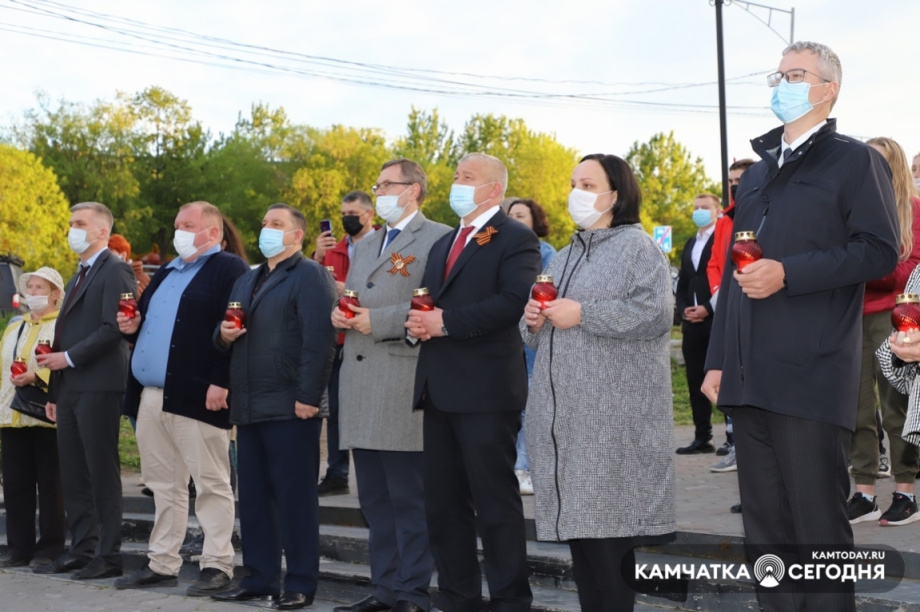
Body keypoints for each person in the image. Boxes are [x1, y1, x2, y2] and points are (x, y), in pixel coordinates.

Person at [702, 42, 899, 611]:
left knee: (816, 530)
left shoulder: (853, 161)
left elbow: (879, 250)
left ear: (828, 90)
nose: (782, 84)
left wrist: (789, 272)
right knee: (765, 533)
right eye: (779, 75)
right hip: (748, 375)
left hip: (809, 372)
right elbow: (736, 275)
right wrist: (717, 360)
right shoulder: (758, 174)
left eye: (796, 74)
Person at [522, 154, 675, 611]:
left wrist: (584, 313)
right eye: (574, 183)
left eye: (588, 184)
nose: (577, 193)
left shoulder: (638, 247)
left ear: (616, 194)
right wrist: (532, 320)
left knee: (609, 545)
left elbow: (655, 314)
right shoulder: (566, 253)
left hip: (610, 422)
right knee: (584, 544)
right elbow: (536, 331)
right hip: (564, 420)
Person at [405, 152, 540, 612]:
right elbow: (429, 300)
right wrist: (418, 322)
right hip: (439, 389)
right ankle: (458, 598)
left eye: (468, 176)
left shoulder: (515, 237)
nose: (457, 182)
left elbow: (512, 301)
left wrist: (445, 323)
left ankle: (510, 600)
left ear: (494, 189)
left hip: (486, 391)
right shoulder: (446, 241)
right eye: (456, 175)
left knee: (495, 504)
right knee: (443, 506)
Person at [333, 159, 451, 612]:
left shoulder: (438, 237)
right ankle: (383, 591)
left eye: (385, 185)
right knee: (375, 503)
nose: (378, 192)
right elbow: (356, 296)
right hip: (361, 383)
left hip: (402, 381)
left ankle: (411, 593)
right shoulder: (368, 243)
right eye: (377, 184)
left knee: (409, 502)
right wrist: (341, 312)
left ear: (412, 190)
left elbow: (436, 305)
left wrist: (378, 321)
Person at [114, 202, 249, 595]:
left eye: (188, 225)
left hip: (198, 394)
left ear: (213, 232)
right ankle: (162, 561)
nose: (179, 232)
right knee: (163, 484)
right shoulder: (168, 270)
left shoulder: (228, 269)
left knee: (210, 483)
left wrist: (221, 381)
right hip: (152, 395)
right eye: (177, 225)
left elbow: (235, 328)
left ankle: (217, 563)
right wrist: (130, 326)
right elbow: (145, 323)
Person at [211, 203, 336, 611]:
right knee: (255, 500)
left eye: (277, 224)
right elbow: (221, 335)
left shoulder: (311, 275)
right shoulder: (247, 279)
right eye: (265, 222)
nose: (267, 228)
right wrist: (223, 334)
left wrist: (309, 397)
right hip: (249, 405)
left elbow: (319, 341)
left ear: (297, 235)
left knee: (295, 499)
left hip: (290, 406)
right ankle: (259, 579)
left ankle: (300, 583)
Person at [35, 201, 135, 580]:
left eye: (79, 223)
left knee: (100, 472)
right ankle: (82, 548)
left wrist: (68, 359)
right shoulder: (79, 273)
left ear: (101, 231)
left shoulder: (116, 269)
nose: (72, 229)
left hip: (99, 384)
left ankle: (108, 555)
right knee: (74, 473)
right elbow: (64, 333)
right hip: (70, 388)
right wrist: (54, 393)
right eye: (71, 223)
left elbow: (114, 328)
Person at [847, 137, 920, 525]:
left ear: (894, 166)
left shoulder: (913, 208)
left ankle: (906, 493)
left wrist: (861, 267)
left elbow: (912, 269)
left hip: (894, 316)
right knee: (856, 408)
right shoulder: (850, 208)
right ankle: (864, 493)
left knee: (896, 409)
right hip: (850, 317)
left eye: (877, 160)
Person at [0, 267, 67, 569]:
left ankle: (49, 548)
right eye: (30, 287)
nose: (33, 293)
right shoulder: (15, 326)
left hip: (45, 415)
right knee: (16, 484)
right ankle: (19, 548)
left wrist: (36, 377)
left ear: (55, 294)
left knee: (51, 485)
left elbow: (66, 366)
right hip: (11, 415)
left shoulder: (63, 326)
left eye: (40, 287)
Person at [314, 190, 377, 495]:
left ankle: (375, 476)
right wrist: (316, 257)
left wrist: (347, 289)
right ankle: (337, 473)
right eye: (343, 214)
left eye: (353, 214)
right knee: (336, 409)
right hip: (338, 339)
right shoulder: (333, 250)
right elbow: (310, 285)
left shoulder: (386, 246)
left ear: (370, 214)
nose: (347, 219)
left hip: (372, 336)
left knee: (372, 407)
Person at [705, 159, 754, 483]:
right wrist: (718, 294)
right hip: (725, 301)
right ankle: (736, 445)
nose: (735, 185)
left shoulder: (761, 212)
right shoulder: (726, 219)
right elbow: (715, 262)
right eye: (731, 181)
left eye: (741, 179)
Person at [507, 198, 556, 495]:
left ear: (535, 222)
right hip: (502, 343)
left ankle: (524, 468)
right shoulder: (498, 251)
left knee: (528, 408)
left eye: (520, 215)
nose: (513, 219)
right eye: (509, 215)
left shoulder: (546, 254)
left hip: (530, 344)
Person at [675, 194, 719, 456]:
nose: (699, 212)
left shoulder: (721, 239)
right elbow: (683, 281)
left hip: (715, 320)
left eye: (705, 207)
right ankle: (702, 437)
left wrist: (707, 308)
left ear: (717, 211)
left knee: (722, 378)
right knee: (695, 381)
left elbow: (724, 279)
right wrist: (683, 309)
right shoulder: (691, 242)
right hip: (692, 324)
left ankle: (732, 438)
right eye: (696, 208)